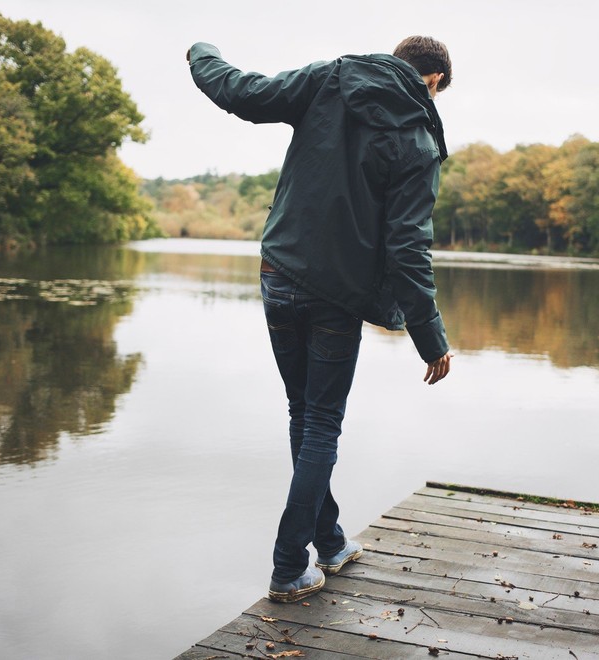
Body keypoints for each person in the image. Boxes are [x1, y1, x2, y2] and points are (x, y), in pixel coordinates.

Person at [187, 36, 454, 603]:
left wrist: (201, 53)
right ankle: (288, 565)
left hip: (277, 273)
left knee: (304, 413)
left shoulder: (331, 79)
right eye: (440, 92)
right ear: (432, 80)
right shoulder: (418, 140)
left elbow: (245, 93)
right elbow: (408, 248)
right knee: (322, 421)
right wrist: (431, 338)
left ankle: (329, 541)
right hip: (335, 296)